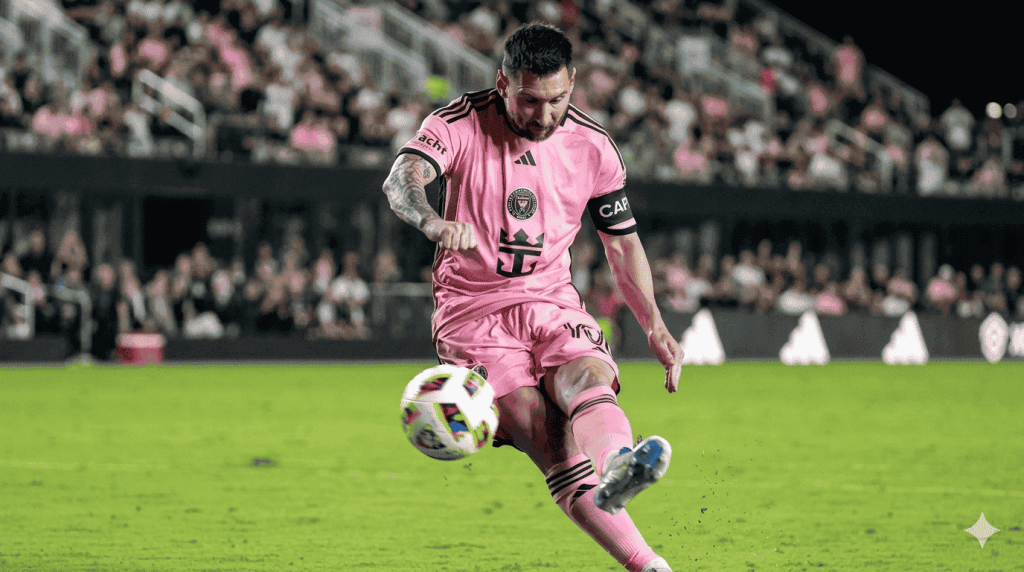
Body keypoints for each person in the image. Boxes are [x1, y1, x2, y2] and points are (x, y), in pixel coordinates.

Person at [381, 23, 682, 572]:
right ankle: (647, 564)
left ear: (573, 85)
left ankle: (619, 467)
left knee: (588, 376)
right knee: (551, 441)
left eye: (558, 100)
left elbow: (622, 244)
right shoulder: (457, 122)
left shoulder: (593, 146)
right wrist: (429, 220)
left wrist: (655, 324)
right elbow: (403, 179)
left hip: (550, 297)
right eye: (530, 101)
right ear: (502, 83)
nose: (543, 116)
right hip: (473, 313)